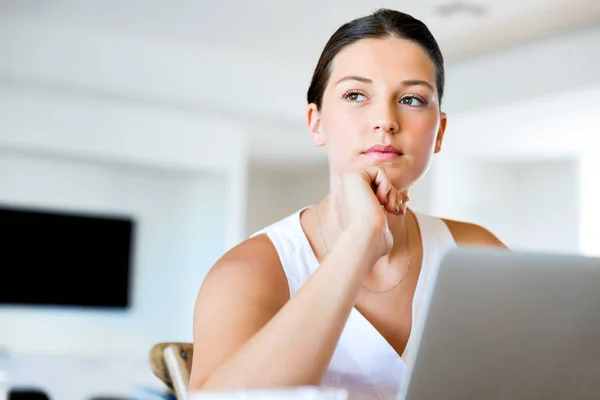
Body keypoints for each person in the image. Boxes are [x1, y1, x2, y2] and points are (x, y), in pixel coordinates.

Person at [188, 8, 506, 399]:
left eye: (411, 99)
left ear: (438, 131)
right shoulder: (247, 273)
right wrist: (360, 242)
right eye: (356, 95)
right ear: (316, 123)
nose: (385, 120)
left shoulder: (478, 254)